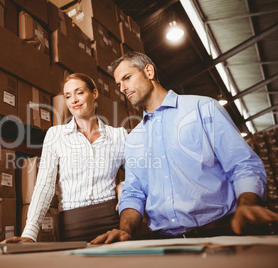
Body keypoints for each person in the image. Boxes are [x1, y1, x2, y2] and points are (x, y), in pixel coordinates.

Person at [91, 52, 278, 244]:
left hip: (221, 233)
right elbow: (134, 193)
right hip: (165, 241)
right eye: (118, 84)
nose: (122, 88)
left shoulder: (203, 108)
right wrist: (125, 229)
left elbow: (242, 164)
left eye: (127, 78)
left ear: (149, 71)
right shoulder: (133, 140)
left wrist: (246, 203)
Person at [1, 73, 127, 243]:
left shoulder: (118, 136)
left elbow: (140, 176)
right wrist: (29, 234)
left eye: (79, 92)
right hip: (72, 225)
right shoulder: (56, 135)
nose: (73, 100)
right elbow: (44, 186)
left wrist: (123, 186)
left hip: (112, 223)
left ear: (95, 93)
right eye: (68, 96)